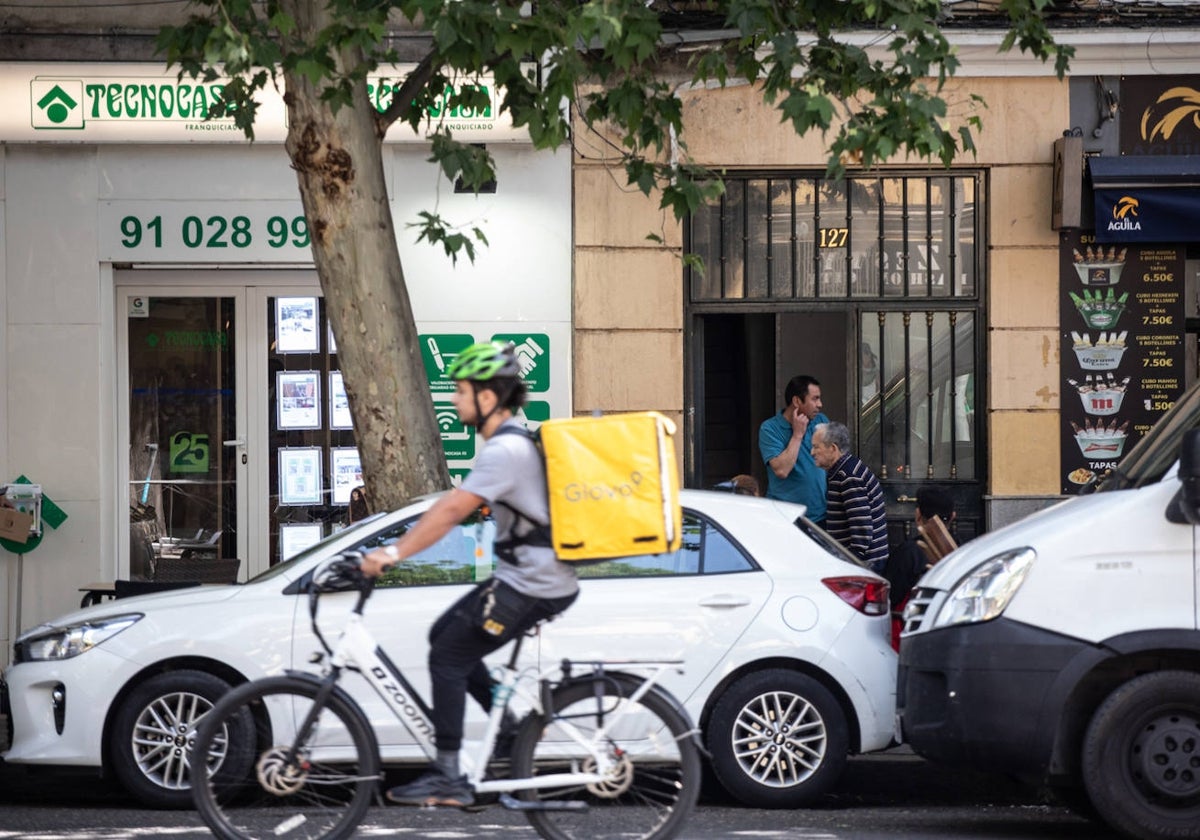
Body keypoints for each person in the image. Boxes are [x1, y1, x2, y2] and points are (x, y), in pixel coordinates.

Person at [360, 341, 579, 808]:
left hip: (535, 583)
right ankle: (510, 732)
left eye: (460, 391)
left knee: (449, 656)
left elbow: (450, 511)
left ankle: (448, 774)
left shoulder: (505, 452)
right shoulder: (512, 444)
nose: (454, 400)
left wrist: (392, 553)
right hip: (528, 578)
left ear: (487, 397)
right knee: (445, 634)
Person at [811, 421, 888, 573]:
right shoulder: (844, 470)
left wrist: (849, 565)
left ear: (832, 448)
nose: (812, 452)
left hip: (864, 565)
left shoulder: (849, 476)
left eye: (816, 447)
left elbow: (862, 530)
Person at [758, 374, 830, 524]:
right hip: (785, 518)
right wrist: (797, 435)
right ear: (797, 401)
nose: (820, 404)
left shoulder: (821, 421)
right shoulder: (770, 429)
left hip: (821, 517)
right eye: (815, 399)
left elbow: (833, 460)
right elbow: (781, 470)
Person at [884, 486, 955, 611]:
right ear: (952, 516)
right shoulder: (965, 551)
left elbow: (890, 597)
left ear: (918, 515)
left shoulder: (907, 552)